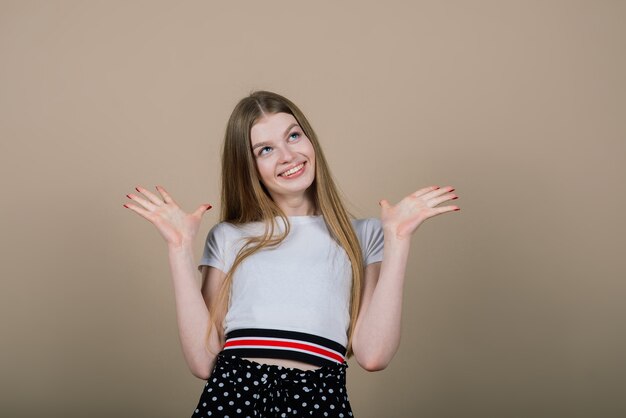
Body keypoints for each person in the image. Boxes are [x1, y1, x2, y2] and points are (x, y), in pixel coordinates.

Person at [123, 90, 460, 417]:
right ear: (248, 166)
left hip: (320, 397)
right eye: (266, 149)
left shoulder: (364, 235)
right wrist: (179, 248)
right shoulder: (228, 237)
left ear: (310, 140)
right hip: (234, 393)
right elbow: (203, 361)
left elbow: (373, 355)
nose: (287, 156)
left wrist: (398, 239)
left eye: (294, 136)